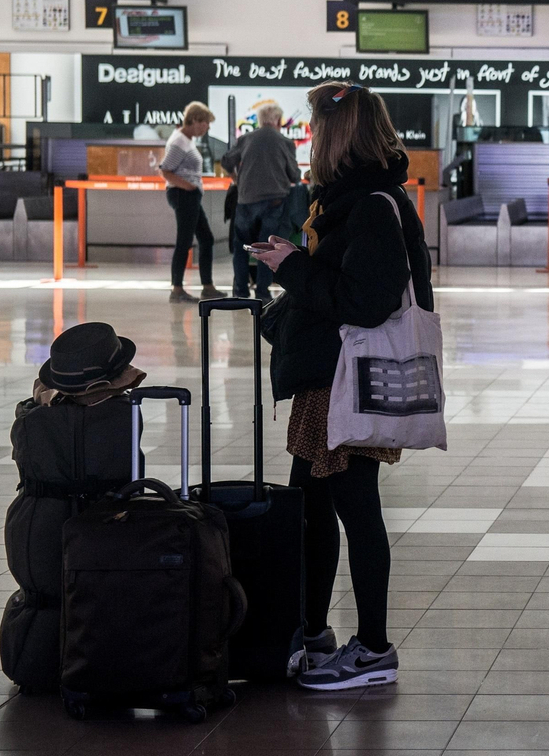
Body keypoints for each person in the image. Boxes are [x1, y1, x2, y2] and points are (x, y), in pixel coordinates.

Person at [250, 82, 430, 692]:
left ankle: (374, 647)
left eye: (315, 129)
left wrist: (294, 269)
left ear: (337, 135)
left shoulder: (373, 205)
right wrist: (295, 265)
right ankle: (314, 629)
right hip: (327, 379)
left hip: (347, 380)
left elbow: (366, 301)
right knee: (312, 508)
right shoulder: (348, 201)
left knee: (356, 509)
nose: (308, 139)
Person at [222, 102, 302, 302]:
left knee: (242, 246)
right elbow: (294, 175)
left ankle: (240, 291)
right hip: (274, 201)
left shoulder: (246, 138)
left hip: (245, 200)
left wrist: (236, 178)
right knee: (268, 247)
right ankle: (263, 293)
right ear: (277, 120)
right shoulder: (285, 142)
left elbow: (226, 160)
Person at [159, 102, 225, 303]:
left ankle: (207, 286)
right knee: (185, 242)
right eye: (205, 123)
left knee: (206, 238)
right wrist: (188, 186)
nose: (206, 128)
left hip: (190, 195)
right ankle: (177, 289)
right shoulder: (179, 141)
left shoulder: (187, 140)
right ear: (195, 120)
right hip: (183, 195)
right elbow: (165, 169)